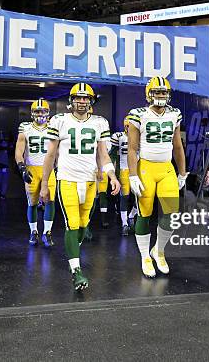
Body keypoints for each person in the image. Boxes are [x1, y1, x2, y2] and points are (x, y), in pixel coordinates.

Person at [40, 83, 120, 291]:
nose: (82, 101)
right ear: (71, 99)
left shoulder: (100, 122)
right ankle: (76, 270)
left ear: (91, 100)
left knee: (84, 225)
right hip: (67, 180)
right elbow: (50, 155)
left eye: (85, 98)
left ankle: (73, 252)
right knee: (72, 224)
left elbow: (103, 154)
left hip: (91, 181)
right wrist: (44, 184)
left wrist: (112, 176)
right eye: (78, 97)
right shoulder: (59, 120)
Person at [127, 76, 188, 278]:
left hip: (166, 168)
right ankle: (145, 255)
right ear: (148, 94)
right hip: (146, 168)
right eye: (157, 92)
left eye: (163, 92)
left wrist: (182, 172)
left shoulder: (174, 114)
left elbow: (178, 146)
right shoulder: (139, 115)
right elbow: (133, 149)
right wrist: (133, 175)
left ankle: (159, 251)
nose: (160, 96)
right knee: (144, 212)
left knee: (171, 214)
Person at [15, 99, 56, 247]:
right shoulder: (25, 127)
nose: (40, 114)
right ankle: (33, 231)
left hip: (49, 168)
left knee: (50, 200)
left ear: (48, 112)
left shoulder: (53, 126)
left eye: (43, 111)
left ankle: (47, 232)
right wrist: (21, 167)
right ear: (32, 113)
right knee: (32, 203)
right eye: (38, 111)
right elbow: (19, 149)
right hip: (32, 168)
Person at [110, 116, 132, 236]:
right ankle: (125, 223)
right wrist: (112, 171)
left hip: (138, 170)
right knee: (125, 197)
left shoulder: (140, 137)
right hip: (124, 170)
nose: (130, 129)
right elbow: (112, 153)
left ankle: (131, 215)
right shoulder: (119, 137)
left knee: (142, 196)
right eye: (128, 126)